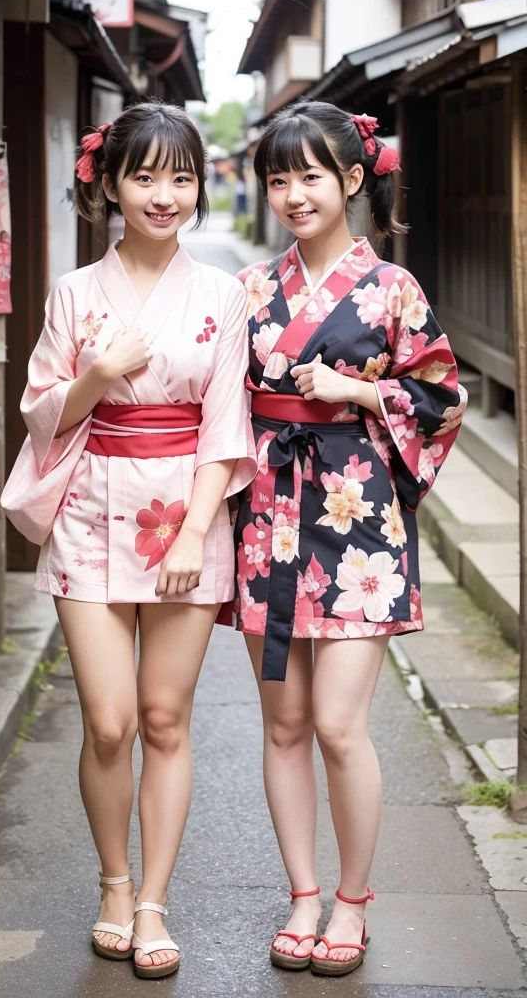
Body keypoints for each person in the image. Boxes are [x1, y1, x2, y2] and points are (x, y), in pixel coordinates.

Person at [1, 101, 256, 979]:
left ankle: (151, 902)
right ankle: (112, 882)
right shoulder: (74, 294)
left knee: (163, 719)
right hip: (89, 514)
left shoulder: (223, 296)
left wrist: (193, 532)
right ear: (109, 184)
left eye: (181, 177)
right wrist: (98, 374)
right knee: (109, 724)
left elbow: (229, 428)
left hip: (187, 516)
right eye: (144, 176)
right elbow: (41, 412)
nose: (165, 194)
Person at [230, 100, 465, 976]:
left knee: (336, 724)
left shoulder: (393, 288)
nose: (294, 192)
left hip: (358, 519)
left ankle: (353, 899)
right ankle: (300, 895)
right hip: (271, 515)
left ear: (353, 180)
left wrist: (361, 392)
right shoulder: (252, 289)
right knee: (283, 723)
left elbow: (442, 397)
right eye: (279, 176)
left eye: (312, 174)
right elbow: (221, 407)